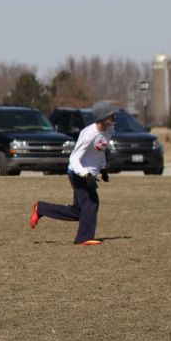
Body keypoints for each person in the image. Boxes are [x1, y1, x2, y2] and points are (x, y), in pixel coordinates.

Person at [30, 101, 115, 245]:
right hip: (77, 173)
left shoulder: (110, 129)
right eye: (111, 115)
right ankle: (84, 238)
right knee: (91, 203)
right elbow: (74, 158)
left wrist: (103, 169)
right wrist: (86, 175)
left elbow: (100, 151)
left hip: (89, 173)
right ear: (103, 118)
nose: (114, 116)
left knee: (79, 211)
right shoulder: (89, 134)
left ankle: (41, 208)